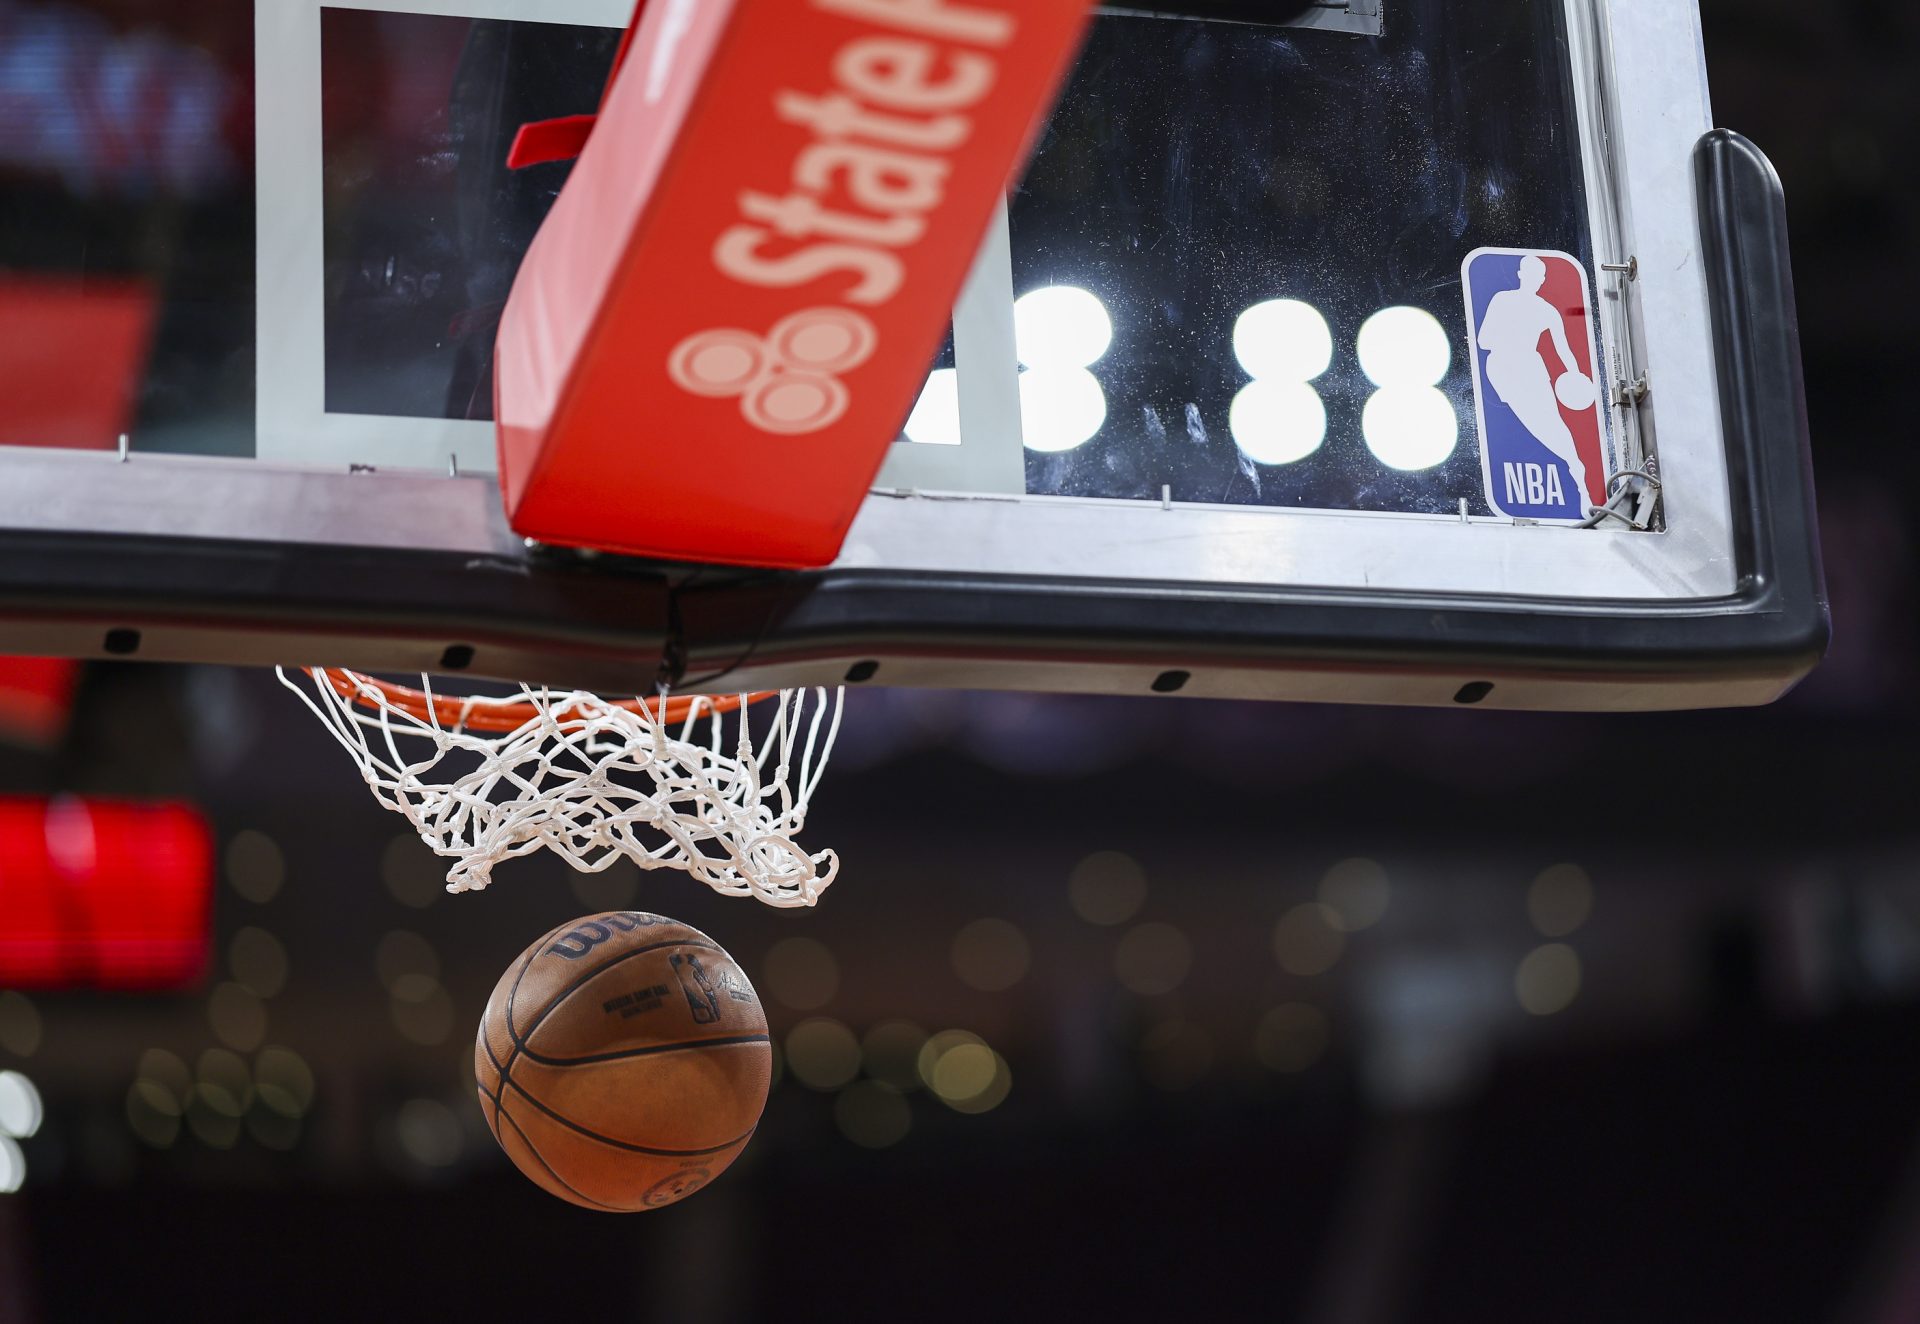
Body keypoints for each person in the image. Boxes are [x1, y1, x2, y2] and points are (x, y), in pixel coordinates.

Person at [1478, 255, 1594, 511]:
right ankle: (1577, 474)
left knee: (1553, 426)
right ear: (1521, 275)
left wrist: (1575, 376)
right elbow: (1483, 340)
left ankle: (1582, 486)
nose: (1535, 280)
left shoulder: (1547, 311)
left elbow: (1563, 349)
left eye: (1538, 276)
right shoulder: (1502, 300)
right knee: (1526, 426)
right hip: (1503, 372)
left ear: (1542, 280)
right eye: (1531, 274)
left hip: (1529, 371)